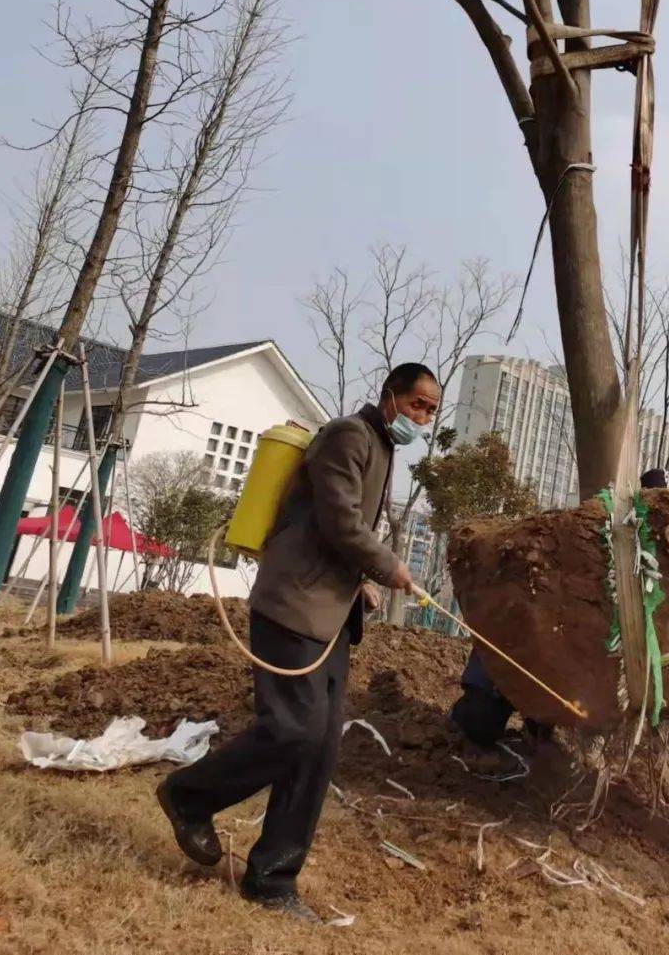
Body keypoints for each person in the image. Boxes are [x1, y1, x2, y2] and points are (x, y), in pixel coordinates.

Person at [157, 363, 440, 923]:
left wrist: (360, 584)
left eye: (430, 411)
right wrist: (389, 568)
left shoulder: (381, 448)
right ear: (390, 397)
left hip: (330, 619)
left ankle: (272, 879)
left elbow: (329, 531)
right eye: (417, 405)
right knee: (292, 728)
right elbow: (338, 522)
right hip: (292, 608)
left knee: (318, 747)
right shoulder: (347, 436)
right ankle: (189, 796)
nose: (422, 418)